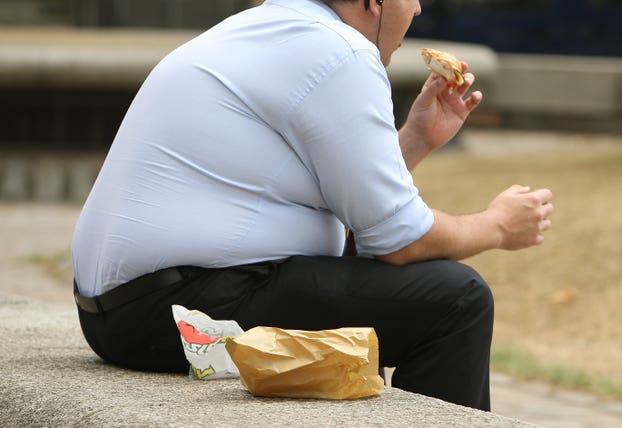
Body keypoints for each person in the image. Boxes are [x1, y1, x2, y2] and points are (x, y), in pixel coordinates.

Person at [71, 0, 553, 411]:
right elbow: (401, 241)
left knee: (378, 290)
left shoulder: (267, 26)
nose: (419, 8)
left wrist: (415, 141)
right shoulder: (339, 49)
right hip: (178, 317)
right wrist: (497, 227)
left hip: (123, 315)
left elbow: (358, 219)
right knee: (455, 300)